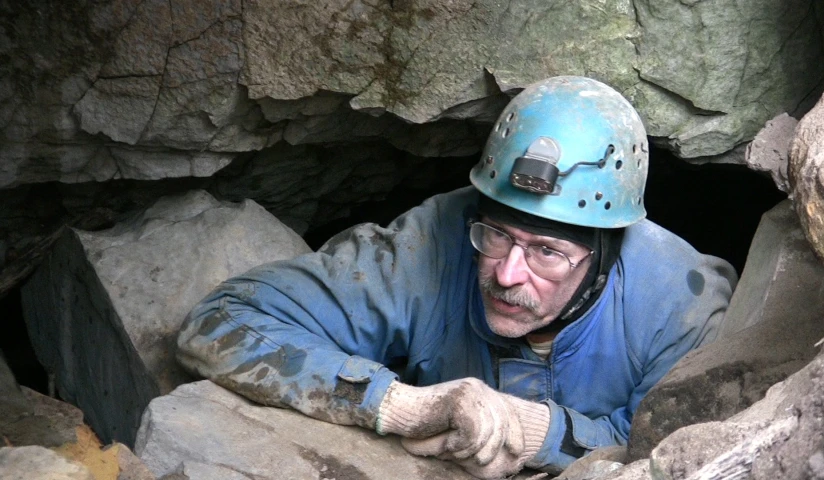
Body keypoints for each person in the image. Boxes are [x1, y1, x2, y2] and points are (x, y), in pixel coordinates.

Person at [176, 76, 738, 478]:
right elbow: (223, 321)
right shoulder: (428, 246)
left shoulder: (679, 303)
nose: (508, 274)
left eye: (547, 251)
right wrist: (395, 403)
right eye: (496, 236)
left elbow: (680, 450)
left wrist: (536, 433)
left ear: (606, 250)